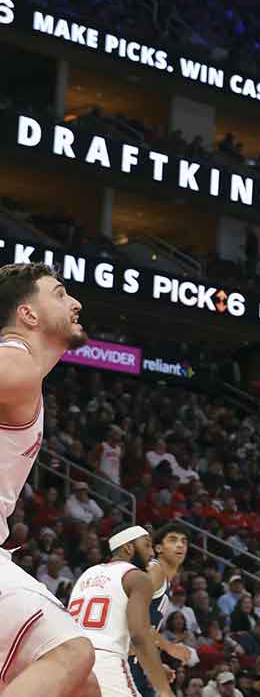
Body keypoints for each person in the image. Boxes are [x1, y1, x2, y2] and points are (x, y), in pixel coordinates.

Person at [0, 262, 98, 696]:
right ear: (28, 315)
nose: (75, 302)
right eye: (59, 293)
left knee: (83, 687)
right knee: (71, 654)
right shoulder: (15, 363)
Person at [66, 525, 178, 697]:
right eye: (147, 545)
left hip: (70, 662)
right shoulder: (137, 577)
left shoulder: (87, 575)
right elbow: (138, 636)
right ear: (128, 548)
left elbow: (106, 633)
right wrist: (163, 687)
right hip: (106, 664)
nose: (152, 553)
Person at [132, 523, 193, 697]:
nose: (180, 545)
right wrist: (170, 648)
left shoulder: (163, 579)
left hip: (134, 662)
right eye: (173, 540)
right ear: (158, 548)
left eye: (184, 541)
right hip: (120, 661)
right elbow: (134, 621)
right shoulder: (154, 572)